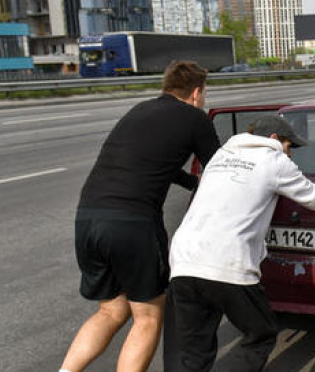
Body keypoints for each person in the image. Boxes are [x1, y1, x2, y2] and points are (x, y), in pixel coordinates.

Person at [61, 60, 220, 372]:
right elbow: (219, 168)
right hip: (132, 224)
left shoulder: (139, 110)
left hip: (88, 217)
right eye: (205, 94)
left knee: (111, 310)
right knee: (147, 317)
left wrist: (190, 182)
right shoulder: (195, 118)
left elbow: (147, 160)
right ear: (196, 92)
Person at [164, 116, 315, 372]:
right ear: (274, 140)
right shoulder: (274, 161)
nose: (290, 155)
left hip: (184, 261)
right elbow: (314, 198)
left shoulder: (220, 156)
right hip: (228, 262)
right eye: (288, 147)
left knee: (192, 349)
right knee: (260, 333)